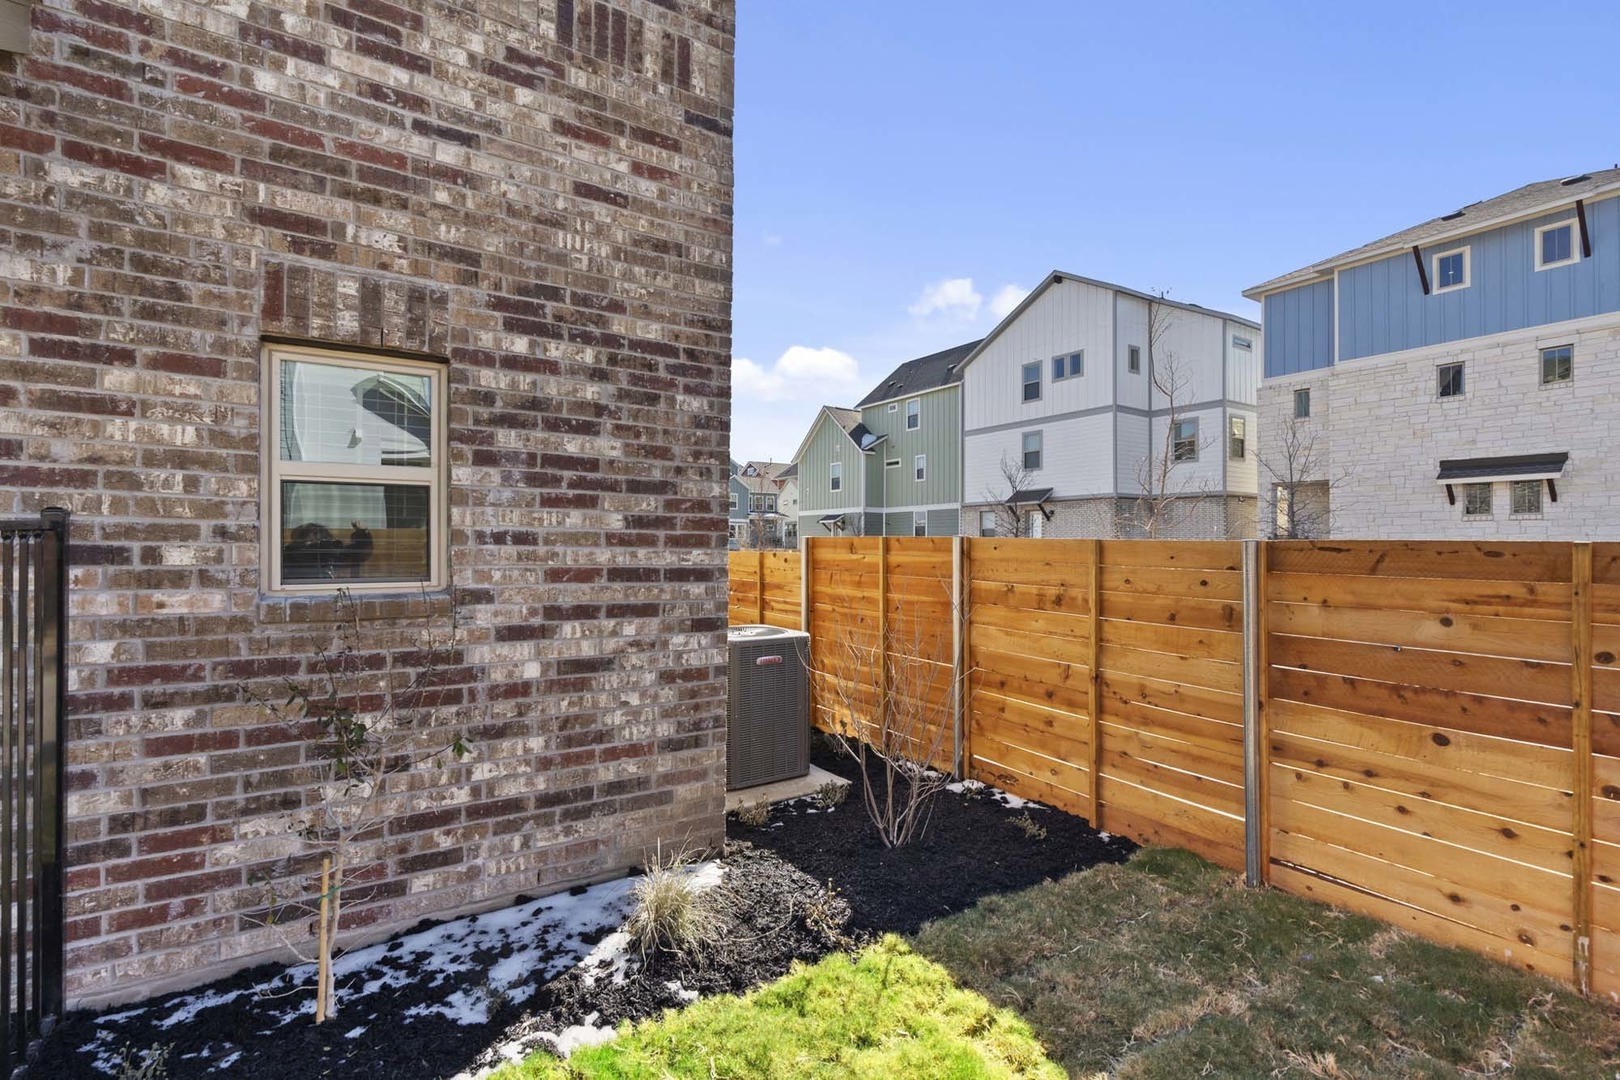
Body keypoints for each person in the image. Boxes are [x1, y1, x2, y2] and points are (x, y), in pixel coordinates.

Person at [283, 521, 373, 580]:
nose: (318, 546)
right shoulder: (290, 555)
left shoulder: (329, 554)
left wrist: (363, 533)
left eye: (323, 541)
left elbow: (359, 553)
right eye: (312, 541)